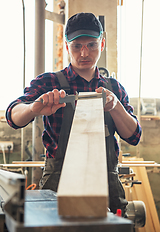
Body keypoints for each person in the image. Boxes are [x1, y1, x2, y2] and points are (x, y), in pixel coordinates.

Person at [6, 12, 141, 215]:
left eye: (91, 45)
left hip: (107, 183)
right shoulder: (47, 82)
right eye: (77, 46)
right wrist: (33, 108)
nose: (84, 53)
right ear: (67, 46)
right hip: (57, 182)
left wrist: (116, 107)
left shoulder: (115, 88)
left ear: (101, 44)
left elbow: (134, 136)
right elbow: (13, 116)